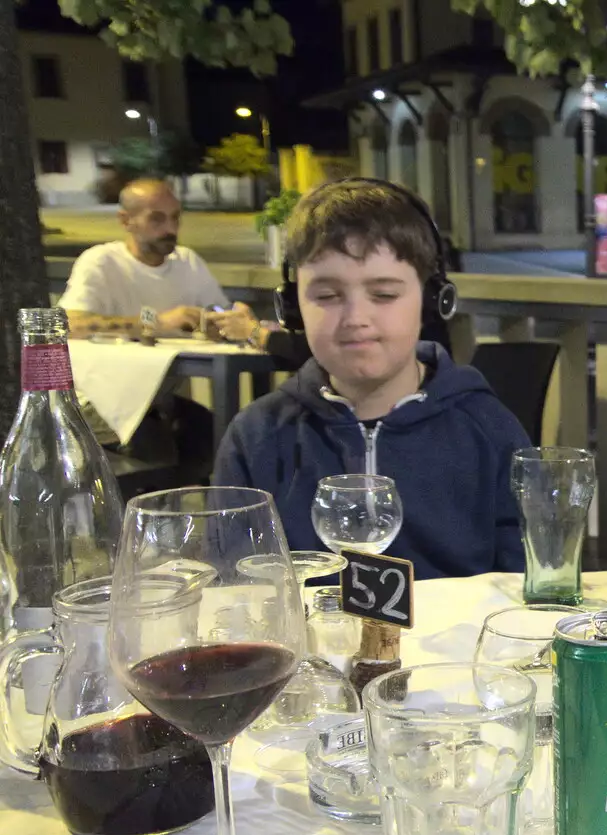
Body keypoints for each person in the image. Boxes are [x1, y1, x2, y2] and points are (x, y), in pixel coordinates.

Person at [213, 177, 530, 580]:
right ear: (292, 309)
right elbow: (234, 590)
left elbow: (525, 589)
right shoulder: (257, 436)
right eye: (327, 296)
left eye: (383, 294)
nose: (356, 319)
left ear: (434, 300)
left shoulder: (489, 429)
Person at [58, 177, 267, 345]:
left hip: (166, 391)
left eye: (175, 217)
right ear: (125, 220)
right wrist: (155, 322)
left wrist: (228, 323)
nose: (171, 229)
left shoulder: (187, 261)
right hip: (102, 393)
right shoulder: (101, 262)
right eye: (156, 218)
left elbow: (218, 311)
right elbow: (68, 326)